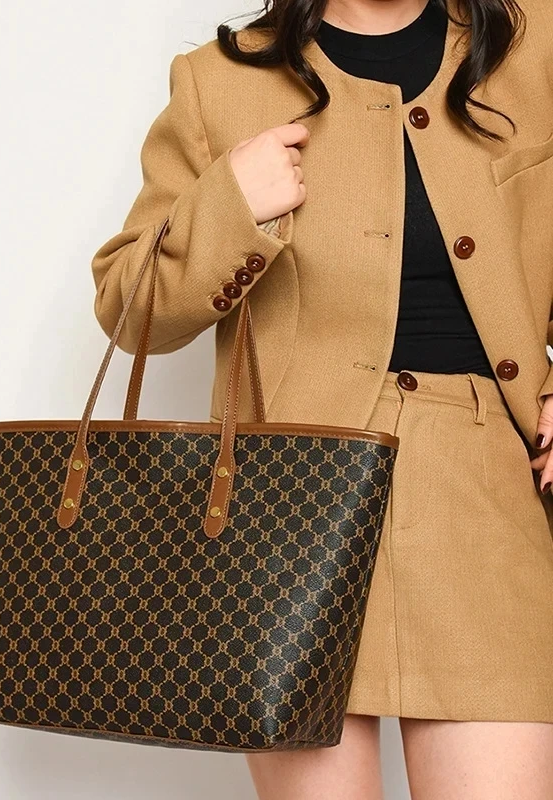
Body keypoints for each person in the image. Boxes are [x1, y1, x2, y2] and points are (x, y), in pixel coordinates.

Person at [91, 0, 553, 797]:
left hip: (482, 488)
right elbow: (129, 308)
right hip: (286, 508)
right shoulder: (217, 80)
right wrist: (230, 206)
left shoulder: (532, 37)